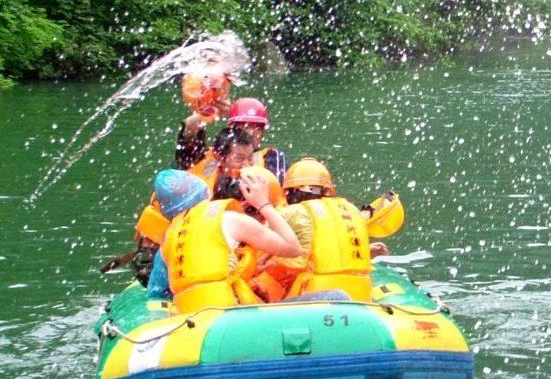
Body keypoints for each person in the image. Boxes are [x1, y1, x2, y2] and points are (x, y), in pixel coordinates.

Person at [148, 168, 302, 311]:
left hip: (191, 322)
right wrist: (264, 204)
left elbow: (156, 294)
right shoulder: (228, 220)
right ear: (204, 192)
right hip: (228, 315)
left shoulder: (167, 240)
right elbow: (293, 248)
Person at [252, 158, 392, 302]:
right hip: (361, 296)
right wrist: (367, 252)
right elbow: (332, 249)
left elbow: (257, 240)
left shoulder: (292, 212)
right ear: (328, 191)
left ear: (289, 192)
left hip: (316, 297)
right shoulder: (352, 210)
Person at [179, 96, 286, 181]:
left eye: (258, 128)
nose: (252, 132)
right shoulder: (209, 156)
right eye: (246, 126)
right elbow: (189, 134)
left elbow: (277, 190)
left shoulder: (272, 158)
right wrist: (206, 114)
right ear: (232, 128)